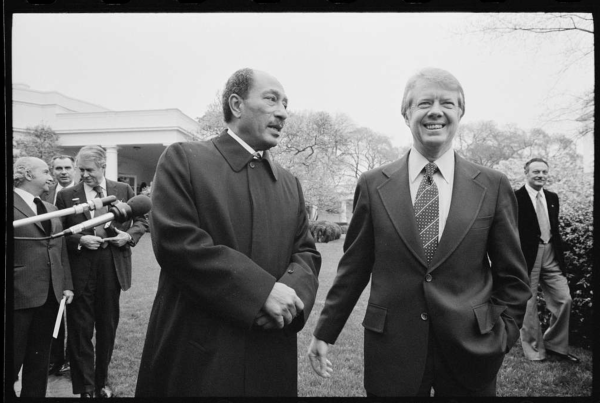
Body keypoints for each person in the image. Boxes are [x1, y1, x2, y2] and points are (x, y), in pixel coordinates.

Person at [307, 67, 531, 397]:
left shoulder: (492, 185)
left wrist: (504, 334)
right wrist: (325, 331)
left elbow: (514, 277)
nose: (436, 111)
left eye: (448, 104)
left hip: (472, 350)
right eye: (425, 103)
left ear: (460, 113)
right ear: (406, 112)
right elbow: (353, 269)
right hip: (392, 351)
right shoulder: (372, 185)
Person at [135, 68, 321, 397]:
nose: (283, 112)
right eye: (272, 99)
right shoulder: (184, 159)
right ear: (236, 105)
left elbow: (306, 254)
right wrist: (261, 293)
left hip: (270, 350)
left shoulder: (290, 183)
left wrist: (288, 299)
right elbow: (178, 243)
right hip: (199, 354)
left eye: (286, 104)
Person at [56, 145, 149, 398]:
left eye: (89, 170)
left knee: (107, 327)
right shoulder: (66, 196)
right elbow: (58, 235)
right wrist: (79, 240)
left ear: (103, 166)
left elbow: (142, 220)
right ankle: (85, 388)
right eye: (81, 170)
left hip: (112, 266)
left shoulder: (123, 190)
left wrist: (128, 237)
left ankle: (101, 383)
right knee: (80, 329)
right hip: (81, 268)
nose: (84, 174)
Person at [13, 157, 74, 397]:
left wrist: (66, 285)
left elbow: (60, 250)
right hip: (19, 294)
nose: (52, 176)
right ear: (28, 174)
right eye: (46, 171)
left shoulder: (51, 209)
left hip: (50, 295)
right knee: (12, 358)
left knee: (39, 362)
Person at [517, 158, 580, 363]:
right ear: (526, 173)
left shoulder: (552, 197)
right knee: (529, 302)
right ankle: (534, 350)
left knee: (564, 299)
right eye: (536, 171)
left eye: (544, 172)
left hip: (551, 253)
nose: (541, 175)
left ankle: (555, 345)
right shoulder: (515, 197)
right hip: (527, 257)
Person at [42, 155, 76, 377]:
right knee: (54, 311)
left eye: (67, 168)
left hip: (78, 260)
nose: (63, 172)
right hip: (54, 261)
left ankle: (74, 359)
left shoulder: (83, 192)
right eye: (58, 168)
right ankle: (55, 359)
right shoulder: (46, 193)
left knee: (76, 315)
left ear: (74, 169)